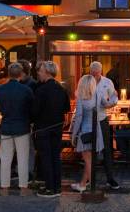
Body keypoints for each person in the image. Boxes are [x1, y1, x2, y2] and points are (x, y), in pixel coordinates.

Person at [0, 62, 34, 196]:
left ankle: (4, 188)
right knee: (23, 158)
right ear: (21, 74)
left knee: (5, 158)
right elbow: (31, 109)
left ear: (8, 73)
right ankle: (23, 187)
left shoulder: (0, 89)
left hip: (6, 126)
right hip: (22, 127)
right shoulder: (26, 90)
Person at [33, 61, 70, 198]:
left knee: (46, 158)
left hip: (43, 128)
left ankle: (50, 188)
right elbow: (66, 108)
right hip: (57, 128)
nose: (38, 73)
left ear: (47, 72)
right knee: (55, 157)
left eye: (41, 71)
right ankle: (57, 186)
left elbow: (35, 111)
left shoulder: (41, 90)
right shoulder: (61, 89)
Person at [89, 61, 120, 190]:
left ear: (101, 71)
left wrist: (111, 104)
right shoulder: (85, 81)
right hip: (89, 120)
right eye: (93, 74)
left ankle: (110, 178)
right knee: (90, 150)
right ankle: (89, 179)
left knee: (107, 149)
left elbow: (114, 96)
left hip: (102, 119)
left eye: (97, 74)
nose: (95, 76)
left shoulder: (107, 82)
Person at [70, 74, 104, 193]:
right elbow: (106, 103)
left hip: (85, 132)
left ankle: (93, 188)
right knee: (90, 159)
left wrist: (73, 134)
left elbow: (78, 117)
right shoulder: (97, 95)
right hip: (96, 130)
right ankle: (83, 184)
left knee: (88, 160)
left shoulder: (80, 98)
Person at [18, 59, 38, 182]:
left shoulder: (31, 85)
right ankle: (22, 169)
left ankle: (29, 171)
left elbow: (33, 105)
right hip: (22, 119)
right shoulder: (27, 83)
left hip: (27, 120)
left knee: (28, 147)